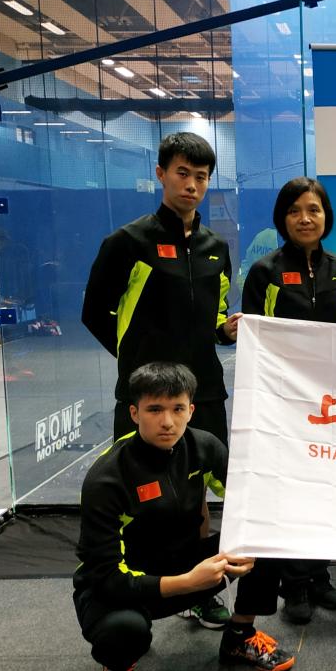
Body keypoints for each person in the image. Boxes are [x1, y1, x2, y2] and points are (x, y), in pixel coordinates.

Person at [73, 362, 295, 671]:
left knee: (265, 538)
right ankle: (117, 666)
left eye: (177, 409)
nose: (167, 421)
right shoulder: (108, 478)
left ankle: (239, 636)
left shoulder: (204, 447)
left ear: (191, 410)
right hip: (121, 586)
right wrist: (189, 582)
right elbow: (107, 578)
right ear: (134, 413)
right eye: (154, 409)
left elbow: (252, 501)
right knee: (125, 630)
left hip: (186, 564)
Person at [241, 176, 336, 624]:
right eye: (295, 211)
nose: (305, 218)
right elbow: (253, 342)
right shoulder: (265, 272)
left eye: (313, 209)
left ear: (326, 216)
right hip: (284, 402)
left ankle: (319, 575)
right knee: (290, 490)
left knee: (326, 488)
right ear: (282, 218)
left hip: (332, 402)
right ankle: (292, 583)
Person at [82, 132, 243, 444]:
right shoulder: (128, 242)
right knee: (142, 475)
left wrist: (225, 331)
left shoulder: (217, 247)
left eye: (201, 176)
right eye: (182, 173)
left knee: (205, 471)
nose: (191, 185)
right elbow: (94, 313)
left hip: (204, 393)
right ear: (161, 174)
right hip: (147, 395)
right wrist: (136, 358)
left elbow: (216, 315)